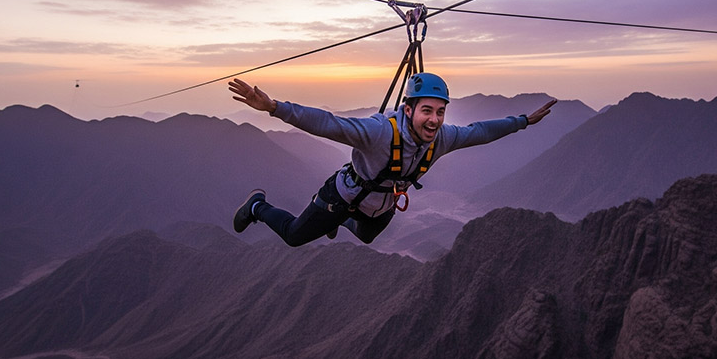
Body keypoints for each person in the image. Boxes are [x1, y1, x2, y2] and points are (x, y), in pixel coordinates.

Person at [228, 73, 556, 246]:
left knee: (367, 235)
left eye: (440, 112)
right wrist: (274, 107)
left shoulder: (441, 138)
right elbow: (328, 123)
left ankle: (340, 223)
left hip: (380, 207)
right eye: (427, 110)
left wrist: (523, 121)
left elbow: (479, 131)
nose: (435, 120)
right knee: (295, 236)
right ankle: (257, 205)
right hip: (340, 197)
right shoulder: (379, 132)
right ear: (409, 109)